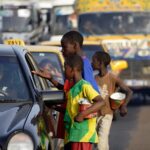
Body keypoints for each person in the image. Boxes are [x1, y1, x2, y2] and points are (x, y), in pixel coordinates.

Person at [32, 31, 100, 138]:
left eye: (64, 47)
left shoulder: (83, 65)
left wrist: (82, 114)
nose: (62, 51)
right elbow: (72, 90)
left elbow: (93, 95)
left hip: (80, 130)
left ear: (75, 45)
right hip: (73, 125)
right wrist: (51, 79)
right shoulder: (74, 66)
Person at [92, 51, 133, 150]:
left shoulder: (112, 78)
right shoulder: (93, 78)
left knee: (102, 138)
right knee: (98, 141)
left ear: (100, 63)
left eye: (94, 61)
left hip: (107, 114)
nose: (91, 63)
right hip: (94, 114)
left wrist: (123, 106)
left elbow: (129, 92)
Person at [63, 54, 105, 150]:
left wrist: (83, 114)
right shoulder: (73, 88)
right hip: (73, 133)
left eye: (65, 68)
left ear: (72, 70)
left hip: (82, 135)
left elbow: (101, 102)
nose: (64, 71)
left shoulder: (84, 86)